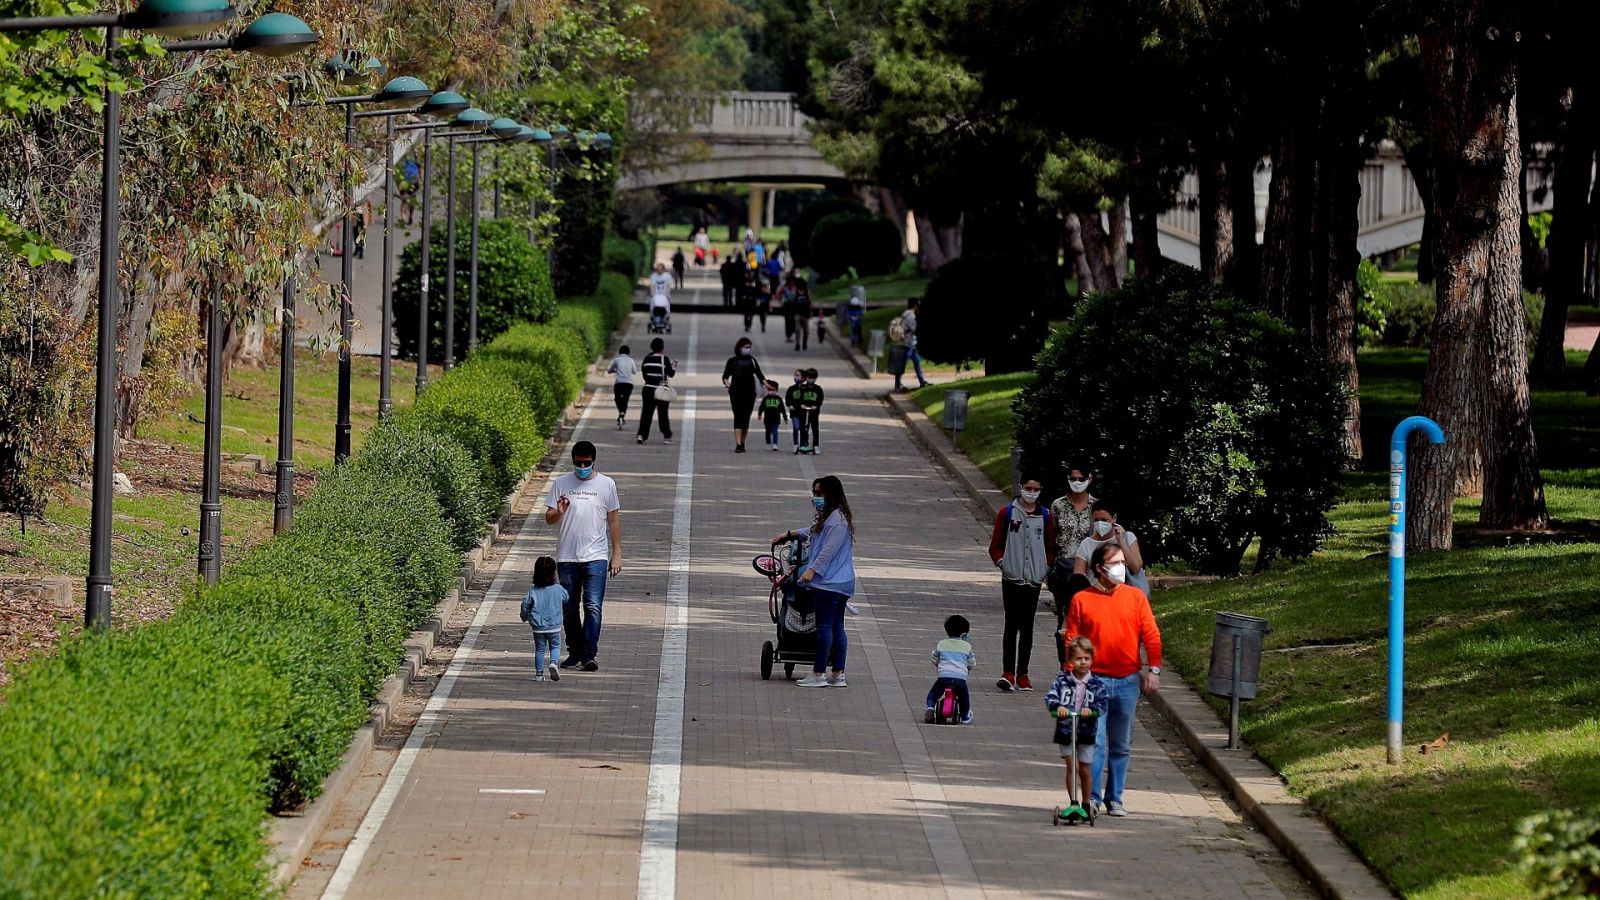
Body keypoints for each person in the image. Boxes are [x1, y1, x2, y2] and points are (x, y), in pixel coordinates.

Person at [1064, 543, 1163, 817]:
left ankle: (1115, 797)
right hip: (1093, 683)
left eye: (1122, 561)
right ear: (1099, 569)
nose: (1122, 567)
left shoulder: (1136, 597)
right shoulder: (1082, 600)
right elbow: (1072, 639)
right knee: (1094, 742)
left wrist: (1154, 669)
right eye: (1115, 563)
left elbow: (1151, 634)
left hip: (1127, 682)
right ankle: (1092, 798)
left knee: (1121, 743)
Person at [771, 476, 857, 688]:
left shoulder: (837, 521)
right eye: (815, 493)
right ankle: (838, 673)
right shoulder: (831, 516)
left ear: (831, 493)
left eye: (820, 493)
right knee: (837, 626)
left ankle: (819, 674)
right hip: (841, 582)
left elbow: (827, 551)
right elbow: (813, 533)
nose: (816, 498)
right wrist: (790, 534)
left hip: (829, 583)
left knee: (825, 626)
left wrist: (810, 572)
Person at [545, 441, 623, 672]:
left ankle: (589, 654)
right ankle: (575, 651)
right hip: (567, 557)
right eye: (578, 462)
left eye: (586, 463)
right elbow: (548, 518)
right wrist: (558, 512)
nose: (582, 466)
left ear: (593, 461)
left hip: (596, 556)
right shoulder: (561, 483)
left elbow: (613, 520)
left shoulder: (607, 484)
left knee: (593, 606)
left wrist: (617, 553)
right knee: (569, 608)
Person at [988, 474, 1056, 692]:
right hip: (1011, 577)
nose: (1031, 492)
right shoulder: (1007, 514)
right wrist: (1003, 563)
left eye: (1036, 489)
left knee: (1027, 626)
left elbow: (1050, 546)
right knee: (1011, 624)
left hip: (1033, 580)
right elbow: (995, 545)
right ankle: (1007, 672)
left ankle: (1023, 673)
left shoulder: (1045, 516)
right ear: (1020, 488)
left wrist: (1044, 568)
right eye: (1028, 488)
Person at [1046, 636, 1108, 809]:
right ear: (1071, 660)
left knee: (1084, 769)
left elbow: (1103, 702)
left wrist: (1092, 709)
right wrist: (1058, 707)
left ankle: (1087, 802)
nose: (1083, 662)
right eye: (1079, 658)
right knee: (1071, 766)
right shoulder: (1063, 681)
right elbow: (1050, 697)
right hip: (1066, 730)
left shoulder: (1096, 684)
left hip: (1086, 730)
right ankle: (1073, 801)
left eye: (1086, 659)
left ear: (1092, 660)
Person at [1047, 465, 1097, 663]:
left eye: (1081, 478)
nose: (1077, 482)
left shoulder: (1096, 506)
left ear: (1089, 479)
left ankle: (1086, 663)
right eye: (1073, 478)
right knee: (1064, 618)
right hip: (1063, 570)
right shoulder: (1058, 505)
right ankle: (1064, 666)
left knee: (1089, 620)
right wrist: (1049, 568)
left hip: (1090, 572)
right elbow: (1051, 539)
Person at [1072, 500, 1149, 595]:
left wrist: (1121, 542)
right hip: (1095, 594)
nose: (1100, 523)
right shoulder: (1086, 544)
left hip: (1123, 594)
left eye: (1104, 520)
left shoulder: (1127, 537)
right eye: (1096, 520)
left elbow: (1136, 567)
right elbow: (1079, 577)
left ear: (1114, 518)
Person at [520, 556, 568, 682]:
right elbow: (566, 597)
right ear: (554, 573)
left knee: (540, 649)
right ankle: (553, 663)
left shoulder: (532, 591)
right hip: (554, 626)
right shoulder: (558, 589)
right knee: (555, 646)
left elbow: (525, 606)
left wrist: (524, 616)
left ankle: (539, 674)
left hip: (538, 627)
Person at [925, 614, 976, 724]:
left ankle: (930, 708)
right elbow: (972, 663)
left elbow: (934, 658)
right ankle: (965, 716)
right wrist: (968, 668)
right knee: (964, 697)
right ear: (964, 634)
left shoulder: (942, 644)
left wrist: (939, 665)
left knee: (934, 693)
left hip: (943, 676)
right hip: (960, 678)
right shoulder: (967, 646)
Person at [721, 337, 766, 453]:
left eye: (749, 347)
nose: (748, 350)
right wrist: (727, 383)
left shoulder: (753, 361)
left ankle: (743, 441)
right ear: (740, 348)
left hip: (750, 392)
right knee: (738, 416)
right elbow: (725, 375)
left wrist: (767, 385)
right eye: (746, 347)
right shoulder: (732, 361)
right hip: (736, 391)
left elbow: (760, 375)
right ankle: (738, 444)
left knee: (746, 417)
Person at [636, 338, 676, 444]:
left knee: (646, 413)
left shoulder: (646, 359)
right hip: (660, 390)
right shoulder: (664, 359)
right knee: (662, 414)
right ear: (662, 348)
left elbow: (644, 373)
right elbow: (671, 374)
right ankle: (667, 436)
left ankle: (641, 435)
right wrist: (673, 367)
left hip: (648, 388)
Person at [893, 298, 929, 391]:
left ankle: (922, 381)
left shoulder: (907, 315)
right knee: (902, 365)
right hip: (907, 345)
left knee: (917, 363)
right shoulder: (910, 316)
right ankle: (897, 384)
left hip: (911, 345)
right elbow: (915, 329)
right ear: (915, 306)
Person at [606, 344, 637, 429]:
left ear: (620, 352)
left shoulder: (617, 360)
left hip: (619, 383)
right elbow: (634, 372)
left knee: (617, 398)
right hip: (629, 383)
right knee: (626, 399)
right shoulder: (631, 360)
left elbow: (609, 371)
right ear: (628, 352)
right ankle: (622, 413)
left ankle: (621, 411)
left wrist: (615, 370)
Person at [796, 368, 824, 454]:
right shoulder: (803, 388)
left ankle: (816, 445)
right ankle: (804, 444)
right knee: (804, 428)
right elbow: (799, 398)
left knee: (815, 428)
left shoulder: (818, 389)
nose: (811, 380)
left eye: (813, 378)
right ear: (806, 378)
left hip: (814, 412)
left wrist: (816, 406)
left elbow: (820, 399)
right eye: (809, 378)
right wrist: (801, 404)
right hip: (804, 412)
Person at [757, 380, 786, 451]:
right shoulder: (765, 399)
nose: (771, 392)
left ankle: (775, 443)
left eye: (773, 390)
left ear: (776, 390)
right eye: (770, 390)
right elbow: (762, 407)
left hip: (776, 419)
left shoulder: (779, 399)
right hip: (767, 419)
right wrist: (760, 414)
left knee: (775, 431)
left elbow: (782, 408)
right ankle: (768, 442)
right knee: (768, 431)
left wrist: (785, 417)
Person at [785, 369, 807, 452]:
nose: (796, 377)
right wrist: (789, 405)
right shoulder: (791, 389)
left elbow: (808, 400)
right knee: (795, 427)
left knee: (803, 429)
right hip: (794, 413)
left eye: (798, 376)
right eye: (795, 375)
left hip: (803, 413)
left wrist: (806, 405)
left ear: (803, 378)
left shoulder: (806, 388)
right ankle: (795, 444)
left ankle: (802, 445)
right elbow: (788, 398)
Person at [791, 282, 813, 351]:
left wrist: (811, 312)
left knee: (806, 331)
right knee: (797, 330)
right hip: (798, 314)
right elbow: (793, 303)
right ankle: (797, 344)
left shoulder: (807, 293)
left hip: (805, 314)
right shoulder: (796, 293)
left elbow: (810, 303)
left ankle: (804, 342)